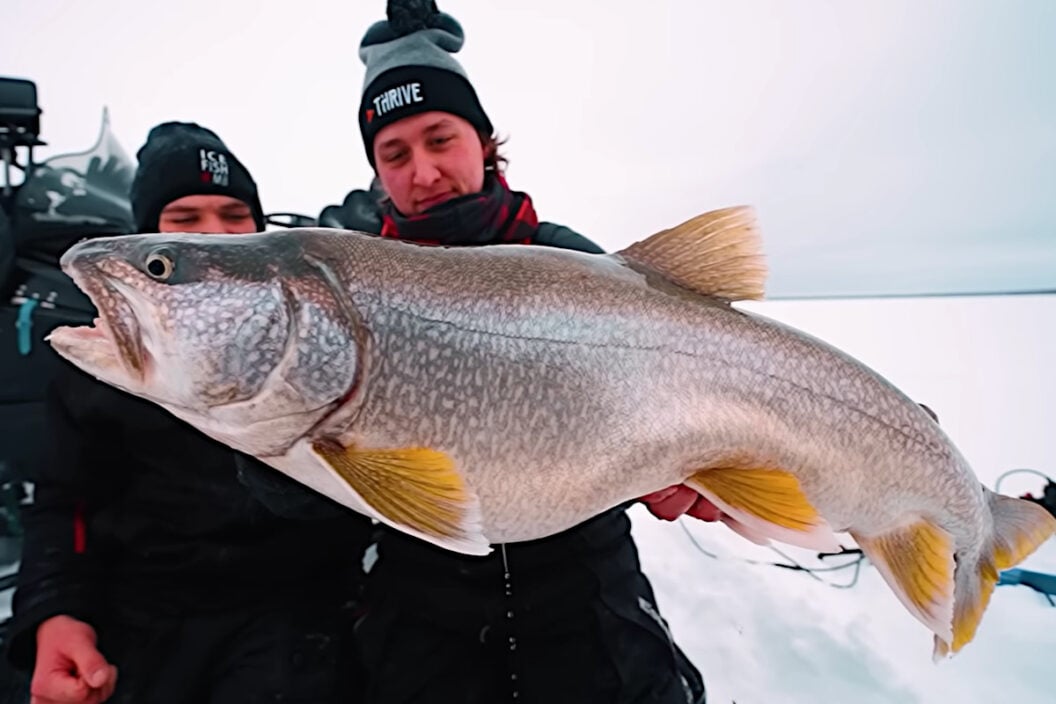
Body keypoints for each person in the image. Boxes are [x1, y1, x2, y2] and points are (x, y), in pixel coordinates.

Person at [251, 3, 713, 702]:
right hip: (419, 603)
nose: (424, 171)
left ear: (484, 139)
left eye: (441, 138)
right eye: (395, 154)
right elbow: (297, 498)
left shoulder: (568, 261)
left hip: (585, 591)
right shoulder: (344, 283)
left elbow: (679, 388)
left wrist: (689, 464)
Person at [5, 122, 373, 704]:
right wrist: (57, 613)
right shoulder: (103, 364)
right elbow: (64, 500)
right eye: (185, 221)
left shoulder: (319, 334)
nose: (217, 236)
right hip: (150, 623)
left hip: (297, 619)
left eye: (234, 216)